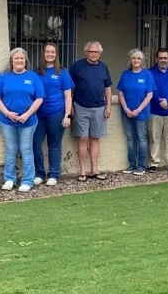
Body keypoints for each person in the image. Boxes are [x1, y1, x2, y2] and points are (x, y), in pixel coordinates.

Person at [0, 47, 45, 193]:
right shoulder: (3, 77)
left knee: (26, 149)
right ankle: (9, 179)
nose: (19, 61)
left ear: (25, 61)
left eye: (22, 58)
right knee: (10, 149)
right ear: (12, 61)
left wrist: (27, 114)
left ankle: (27, 181)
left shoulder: (33, 77)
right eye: (16, 58)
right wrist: (7, 113)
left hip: (28, 121)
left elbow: (39, 98)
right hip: (7, 121)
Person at [68, 41, 114, 181]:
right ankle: (82, 171)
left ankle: (94, 170)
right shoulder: (77, 66)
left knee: (95, 139)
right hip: (80, 107)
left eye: (96, 52)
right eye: (91, 52)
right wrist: (70, 106)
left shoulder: (103, 67)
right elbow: (69, 87)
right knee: (82, 138)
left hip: (99, 107)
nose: (94, 54)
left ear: (100, 53)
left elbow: (107, 88)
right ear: (86, 52)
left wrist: (108, 106)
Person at [32, 43, 73, 186]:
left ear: (56, 55)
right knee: (35, 143)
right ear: (43, 54)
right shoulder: (36, 73)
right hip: (38, 115)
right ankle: (39, 174)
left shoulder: (62, 73)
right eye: (47, 52)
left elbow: (68, 96)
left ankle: (54, 174)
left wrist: (67, 115)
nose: (50, 54)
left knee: (54, 145)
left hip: (57, 113)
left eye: (53, 52)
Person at [117, 49, 156, 175]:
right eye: (133, 58)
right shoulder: (125, 74)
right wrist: (126, 109)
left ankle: (141, 166)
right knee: (130, 138)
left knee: (142, 139)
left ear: (142, 61)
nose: (136, 61)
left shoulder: (147, 74)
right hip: (126, 113)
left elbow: (149, 95)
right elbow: (121, 93)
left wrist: (138, 109)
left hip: (142, 113)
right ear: (130, 60)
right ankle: (132, 165)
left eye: (138, 58)